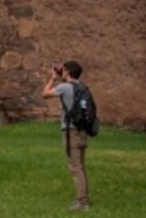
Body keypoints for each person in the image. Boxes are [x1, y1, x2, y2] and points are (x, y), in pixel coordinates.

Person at [42, 61, 90, 211]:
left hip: (71, 131)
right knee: (81, 165)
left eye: (63, 69)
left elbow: (44, 94)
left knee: (75, 167)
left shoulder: (64, 87)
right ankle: (84, 197)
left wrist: (53, 78)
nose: (61, 71)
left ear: (67, 72)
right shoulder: (83, 87)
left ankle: (82, 202)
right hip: (83, 130)